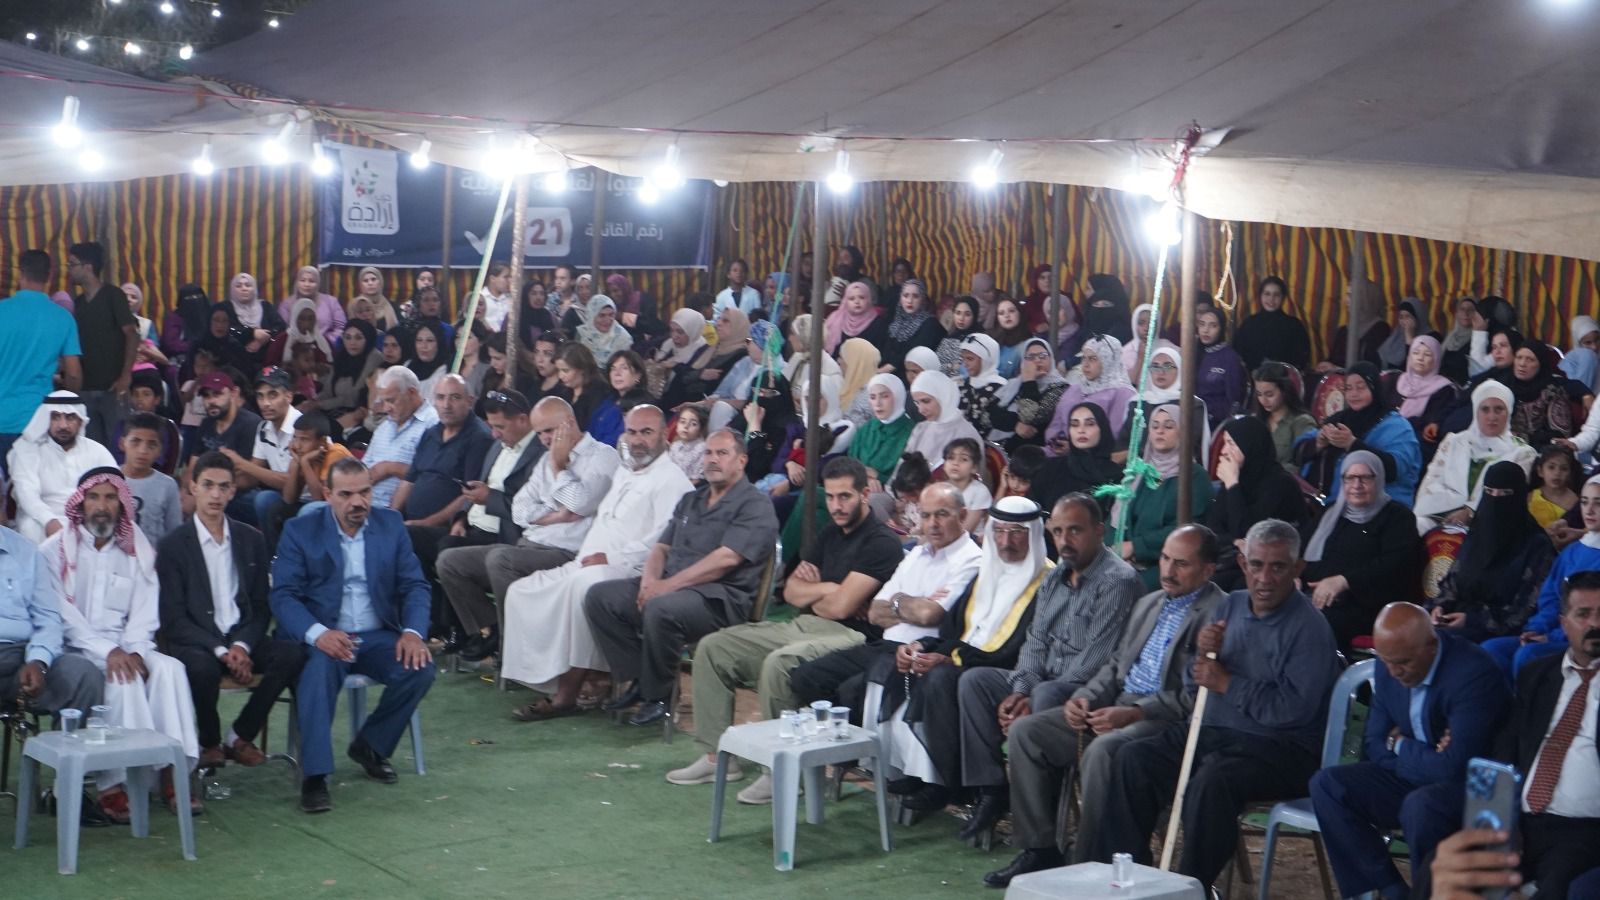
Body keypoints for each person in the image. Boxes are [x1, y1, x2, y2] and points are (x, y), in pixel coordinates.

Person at [1084, 519, 1341, 890]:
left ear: (1297, 568)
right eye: (1257, 565)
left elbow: (1292, 711)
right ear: (1243, 563)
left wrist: (1227, 683)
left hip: (1282, 749)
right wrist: (1202, 657)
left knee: (1213, 780)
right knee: (1132, 759)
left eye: (1278, 567)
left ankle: (1191, 887)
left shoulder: (1310, 628)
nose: (1265, 578)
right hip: (1214, 732)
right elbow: (1197, 684)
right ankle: (1126, 879)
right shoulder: (1230, 606)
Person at [986, 525, 1228, 886]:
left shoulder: (1219, 614)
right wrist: (1084, 698)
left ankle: (1091, 866)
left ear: (1208, 570)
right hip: (1116, 706)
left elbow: (1196, 696)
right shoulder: (1150, 602)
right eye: (1165, 559)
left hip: (1163, 719)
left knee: (1103, 751)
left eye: (1181, 564)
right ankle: (1039, 849)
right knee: (1026, 732)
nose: (1167, 571)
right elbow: (1115, 667)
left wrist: (1136, 712)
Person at [667, 458, 903, 801]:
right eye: (831, 497)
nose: (836, 506)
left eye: (845, 497)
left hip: (852, 637)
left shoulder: (881, 543)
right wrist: (829, 588)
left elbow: (841, 609)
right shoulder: (829, 534)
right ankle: (717, 757)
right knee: (715, 646)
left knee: (779, 663)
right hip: (805, 624)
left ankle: (780, 770)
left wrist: (822, 593)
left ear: (865, 494)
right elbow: (792, 592)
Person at [953, 493, 1141, 838]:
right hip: (1045, 683)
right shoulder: (1055, 578)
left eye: (1075, 531)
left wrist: (1033, 693)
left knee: (1047, 692)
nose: (1064, 541)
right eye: (1057, 531)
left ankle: (1044, 828)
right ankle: (992, 792)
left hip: (1089, 691)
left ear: (1099, 531)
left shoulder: (1118, 580)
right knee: (975, 681)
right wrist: (1021, 689)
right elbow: (1035, 642)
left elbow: (1097, 659)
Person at [1310, 602, 1511, 900]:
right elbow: (1374, 742)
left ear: (1431, 645)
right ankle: (1393, 891)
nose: (1393, 672)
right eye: (1386, 661)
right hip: (1417, 776)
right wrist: (1420, 755)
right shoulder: (1388, 664)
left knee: (1421, 806)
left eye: (1403, 662)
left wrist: (1400, 744)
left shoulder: (1472, 673)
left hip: (1472, 789)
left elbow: (1453, 769)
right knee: (1327, 786)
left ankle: (1429, 894)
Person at [862, 497, 1052, 812]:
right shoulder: (987, 570)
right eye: (999, 531)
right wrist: (923, 647)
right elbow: (954, 629)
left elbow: (1020, 647)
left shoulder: (1047, 581)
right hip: (969, 660)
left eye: (1017, 532)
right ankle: (918, 772)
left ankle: (947, 784)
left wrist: (954, 658)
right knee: (901, 664)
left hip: (1008, 671)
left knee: (941, 677)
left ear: (1033, 534)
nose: (1006, 542)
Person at [269, 459, 436, 814]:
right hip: (326, 636)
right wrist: (319, 635)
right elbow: (283, 596)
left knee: (419, 668)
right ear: (327, 494)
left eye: (365, 492)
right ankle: (315, 776)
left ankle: (370, 746)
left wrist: (412, 632)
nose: (358, 502)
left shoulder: (390, 524)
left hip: (377, 635)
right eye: (346, 494)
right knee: (316, 674)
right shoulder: (301, 530)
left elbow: (415, 585)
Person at [500, 405, 688, 717]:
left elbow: (662, 542)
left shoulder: (672, 480)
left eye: (647, 432)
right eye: (632, 432)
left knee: (584, 588)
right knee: (522, 592)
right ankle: (558, 679)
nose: (638, 440)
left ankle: (567, 695)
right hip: (588, 561)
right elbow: (522, 510)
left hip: (631, 570)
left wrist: (609, 557)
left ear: (663, 436)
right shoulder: (626, 470)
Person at [584, 430, 779, 727]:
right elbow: (661, 547)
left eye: (722, 453)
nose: (712, 460)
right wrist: (649, 582)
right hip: (672, 588)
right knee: (601, 597)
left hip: (719, 599)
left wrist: (666, 587)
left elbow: (726, 559)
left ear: (741, 461)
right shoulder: (692, 498)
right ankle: (640, 680)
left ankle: (660, 697)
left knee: (661, 609)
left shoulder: (754, 504)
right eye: (708, 453)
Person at [48, 468, 201, 820]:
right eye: (94, 497)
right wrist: (110, 652)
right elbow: (62, 617)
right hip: (77, 650)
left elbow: (145, 610)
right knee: (123, 679)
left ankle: (172, 770)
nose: (102, 506)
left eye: (110, 498)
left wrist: (134, 650)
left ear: (122, 504)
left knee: (170, 670)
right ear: (80, 503)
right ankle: (114, 784)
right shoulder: (55, 551)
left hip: (129, 643)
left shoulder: (137, 548)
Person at [157, 451, 306, 771]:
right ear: (193, 487)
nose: (215, 494)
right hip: (198, 642)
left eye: (223, 487)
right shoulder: (172, 546)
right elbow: (173, 618)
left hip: (240, 636)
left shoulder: (251, 539)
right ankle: (209, 742)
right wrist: (223, 652)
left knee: (291, 654)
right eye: (208, 485)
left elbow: (261, 606)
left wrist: (241, 646)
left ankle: (239, 736)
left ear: (233, 491)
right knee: (202, 669)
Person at [438, 396, 617, 661]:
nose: (544, 439)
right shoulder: (545, 460)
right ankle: (496, 630)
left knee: (501, 559)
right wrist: (558, 515)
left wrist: (559, 467)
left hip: (567, 553)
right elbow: (519, 511)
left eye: (549, 430)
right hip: (528, 546)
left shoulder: (602, 456)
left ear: (569, 422)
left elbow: (578, 504)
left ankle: (516, 648)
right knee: (450, 561)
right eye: (540, 432)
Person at [788, 483, 983, 717]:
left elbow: (929, 615)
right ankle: (842, 736)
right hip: (884, 646)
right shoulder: (918, 554)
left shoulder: (971, 560)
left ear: (962, 515)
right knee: (806, 677)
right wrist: (912, 601)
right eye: (925, 515)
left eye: (941, 514)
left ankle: (851, 737)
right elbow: (875, 612)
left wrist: (898, 601)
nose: (932, 523)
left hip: (917, 654)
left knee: (851, 692)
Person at [1476, 571, 1600, 899]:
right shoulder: (1536, 675)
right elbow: (1504, 750)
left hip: (1584, 829)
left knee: (1557, 884)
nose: (1595, 624)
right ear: (1564, 624)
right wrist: (1503, 819)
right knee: (1451, 871)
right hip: (1522, 819)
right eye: (1583, 614)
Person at [0, 505, 104, 747]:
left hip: (19, 659)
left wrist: (39, 661)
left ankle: (72, 767)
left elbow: (47, 618)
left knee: (82, 675)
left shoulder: (25, 551)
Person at [1300, 450, 1422, 650]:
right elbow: (1300, 549)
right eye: (1350, 478)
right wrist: (1294, 577)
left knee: (1315, 623)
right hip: (1316, 597)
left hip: (1366, 605)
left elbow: (1395, 565)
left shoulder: (1397, 517)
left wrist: (1344, 581)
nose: (1357, 485)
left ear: (1379, 479)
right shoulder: (1331, 513)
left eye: (1365, 478)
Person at [1429, 460, 1558, 643]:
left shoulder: (1537, 545)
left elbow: (1524, 610)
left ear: (1519, 496)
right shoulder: (1477, 534)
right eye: (1489, 492)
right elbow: (1453, 582)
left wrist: (1472, 620)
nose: (1495, 499)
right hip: (1453, 622)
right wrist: (1439, 608)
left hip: (1498, 634)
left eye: (1505, 493)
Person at [1485, 474, 1600, 678]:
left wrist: (1552, 637)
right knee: (1492, 649)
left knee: (1528, 656)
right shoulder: (1573, 551)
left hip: (1581, 638)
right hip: (1554, 631)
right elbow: (1551, 597)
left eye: (1598, 503)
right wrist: (1537, 629)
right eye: (1584, 502)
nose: (1589, 510)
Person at [1113, 403, 1214, 591]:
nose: (1160, 431)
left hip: (1169, 566)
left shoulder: (1194, 476)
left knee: (1123, 589)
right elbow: (1117, 518)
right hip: (1126, 559)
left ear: (1182, 432)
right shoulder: (1139, 471)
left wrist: (1136, 547)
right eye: (1155, 426)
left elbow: (1186, 529)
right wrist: (1114, 547)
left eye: (1168, 426)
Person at [1415, 380, 1537, 534]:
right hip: (1438, 514)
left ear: (1509, 412)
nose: (1492, 416)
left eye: (1499, 409)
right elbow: (1431, 481)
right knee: (1415, 526)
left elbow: (1509, 498)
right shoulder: (1454, 441)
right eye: (1485, 409)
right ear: (1475, 411)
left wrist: (1470, 511)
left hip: (1487, 523)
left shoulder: (1522, 453)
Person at [1297, 363, 1424, 508]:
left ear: (1374, 388)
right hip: (1322, 502)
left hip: (1378, 506)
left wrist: (1352, 444)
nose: (1353, 394)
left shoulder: (1397, 426)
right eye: (1348, 388)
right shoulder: (1340, 418)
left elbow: (1394, 469)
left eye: (1361, 387)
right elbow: (1298, 452)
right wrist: (1318, 443)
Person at [1205, 415, 1308, 588]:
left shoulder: (1281, 484)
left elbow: (1251, 532)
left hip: (1270, 564)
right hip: (1236, 559)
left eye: (1231, 444)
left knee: (1232, 585)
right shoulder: (1240, 476)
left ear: (1249, 445)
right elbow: (1213, 528)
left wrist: (1232, 485)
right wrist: (1235, 542)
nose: (1223, 451)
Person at [0, 249, 82, 467]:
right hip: (38, 422)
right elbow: (74, 374)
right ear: (49, 276)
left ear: (20, 273)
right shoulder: (63, 318)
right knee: (31, 485)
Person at [8, 392, 117, 543]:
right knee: (30, 527)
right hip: (41, 519)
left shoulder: (97, 451)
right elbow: (26, 495)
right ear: (46, 419)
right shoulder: (27, 450)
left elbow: (116, 489)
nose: (63, 425)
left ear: (80, 421)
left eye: (70, 417)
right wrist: (49, 520)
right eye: (56, 417)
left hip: (87, 517)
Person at [63, 242, 139, 446]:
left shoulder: (113, 296)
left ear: (87, 266)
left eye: (72, 264)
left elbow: (132, 334)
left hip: (112, 388)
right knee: (91, 449)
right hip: (86, 388)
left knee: (120, 446)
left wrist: (126, 375)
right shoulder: (78, 303)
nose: (69, 269)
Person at [363, 366, 440, 511]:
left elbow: (432, 476)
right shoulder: (384, 426)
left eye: (391, 400)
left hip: (398, 512)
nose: (386, 408)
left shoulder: (433, 424)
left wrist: (389, 468)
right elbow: (365, 469)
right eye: (383, 401)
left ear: (412, 392)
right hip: (365, 506)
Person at [1028, 402, 1122, 515]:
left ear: (1103, 428)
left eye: (1090, 424)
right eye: (1074, 424)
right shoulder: (1050, 468)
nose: (1081, 430)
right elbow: (1030, 510)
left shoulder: (1117, 477)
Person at [1046, 335, 1138, 450]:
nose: (1085, 364)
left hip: (1095, 455)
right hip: (1058, 451)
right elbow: (1056, 424)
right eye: (1084, 358)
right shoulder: (1075, 388)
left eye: (1093, 359)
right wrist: (1054, 441)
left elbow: (1113, 433)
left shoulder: (1123, 394)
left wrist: (1073, 447)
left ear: (1108, 361)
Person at [120, 412, 182, 544]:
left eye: (151, 445)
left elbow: (174, 533)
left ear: (160, 450)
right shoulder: (109, 479)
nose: (143, 450)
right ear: (122, 443)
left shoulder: (167, 486)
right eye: (135, 442)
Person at [903, 371, 982, 472]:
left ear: (943, 396)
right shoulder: (921, 428)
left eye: (926, 401)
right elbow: (903, 469)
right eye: (917, 403)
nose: (920, 410)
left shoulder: (967, 435)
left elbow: (973, 478)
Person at [1247, 362, 1316, 473]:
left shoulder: (1302, 422)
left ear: (1284, 391)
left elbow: (1302, 466)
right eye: (1259, 394)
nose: (1263, 400)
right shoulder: (1256, 420)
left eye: (1269, 395)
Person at [1232, 275, 1312, 371]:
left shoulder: (1294, 326)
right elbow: (1237, 354)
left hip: (1284, 379)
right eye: (1267, 294)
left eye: (1276, 295)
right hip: (1251, 378)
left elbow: (1301, 358)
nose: (1271, 299)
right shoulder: (1249, 323)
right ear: (1260, 296)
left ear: (1283, 298)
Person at [848, 374, 914, 489]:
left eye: (884, 396)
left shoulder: (911, 432)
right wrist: (866, 478)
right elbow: (850, 462)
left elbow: (910, 478)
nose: (877, 403)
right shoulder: (867, 428)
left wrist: (879, 477)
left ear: (898, 396)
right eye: (872, 397)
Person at [1508, 342, 1579, 447]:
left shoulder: (1552, 391)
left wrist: (1522, 439)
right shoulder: (1504, 386)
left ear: (1541, 364)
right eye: (1519, 357)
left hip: (1542, 451)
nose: (1522, 364)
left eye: (1530, 359)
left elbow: (1560, 434)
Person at [880, 278, 945, 377]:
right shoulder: (895, 324)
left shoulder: (930, 324)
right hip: (888, 375)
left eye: (915, 296)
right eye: (905, 296)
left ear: (922, 299)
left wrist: (885, 370)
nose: (910, 301)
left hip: (915, 377)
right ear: (900, 298)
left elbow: (913, 353)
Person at [1193, 306, 1247, 425]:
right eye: (1202, 324)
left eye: (1213, 326)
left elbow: (1234, 400)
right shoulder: (1194, 353)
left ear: (1221, 329)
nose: (1205, 330)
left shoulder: (1229, 358)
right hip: (1193, 415)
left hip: (1216, 421)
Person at [955, 333, 1010, 437]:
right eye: (963, 358)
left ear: (986, 360)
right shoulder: (959, 384)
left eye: (970, 359)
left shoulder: (1002, 388)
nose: (965, 364)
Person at [279, 265, 347, 344]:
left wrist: (325, 341)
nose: (306, 284)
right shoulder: (287, 304)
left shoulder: (331, 302)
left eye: (311, 281)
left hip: (326, 345)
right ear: (297, 283)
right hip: (295, 346)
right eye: (302, 280)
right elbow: (282, 330)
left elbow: (341, 328)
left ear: (318, 283)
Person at [941, 438, 993, 532]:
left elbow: (967, 530)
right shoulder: (939, 489)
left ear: (974, 468)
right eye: (951, 458)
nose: (955, 463)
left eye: (964, 459)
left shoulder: (979, 491)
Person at [823, 281, 886, 354]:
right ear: (846, 301)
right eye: (852, 298)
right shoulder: (836, 319)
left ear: (868, 299)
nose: (857, 302)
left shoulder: (878, 323)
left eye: (862, 297)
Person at [1529, 444, 1583, 529]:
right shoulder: (1531, 497)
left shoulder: (1574, 502)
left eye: (1564, 469)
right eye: (1551, 467)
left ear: (1570, 473)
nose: (1557, 473)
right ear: (1540, 471)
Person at [575, 294, 632, 366]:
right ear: (592, 316)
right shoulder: (582, 334)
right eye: (602, 315)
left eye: (611, 315)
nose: (607, 320)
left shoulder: (623, 337)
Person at [935, 296, 982, 378]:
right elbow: (937, 366)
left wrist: (953, 368)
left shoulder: (981, 340)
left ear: (975, 315)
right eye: (958, 313)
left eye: (967, 314)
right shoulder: (948, 340)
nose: (961, 318)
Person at [990, 298, 1032, 379]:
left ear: (1020, 313)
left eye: (1011, 311)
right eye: (1001, 313)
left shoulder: (1030, 344)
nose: (1007, 316)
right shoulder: (991, 341)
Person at [668, 404, 708, 483]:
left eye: (693, 424)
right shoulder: (675, 445)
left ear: (701, 429)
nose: (686, 426)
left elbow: (697, 479)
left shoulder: (702, 448)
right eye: (682, 422)